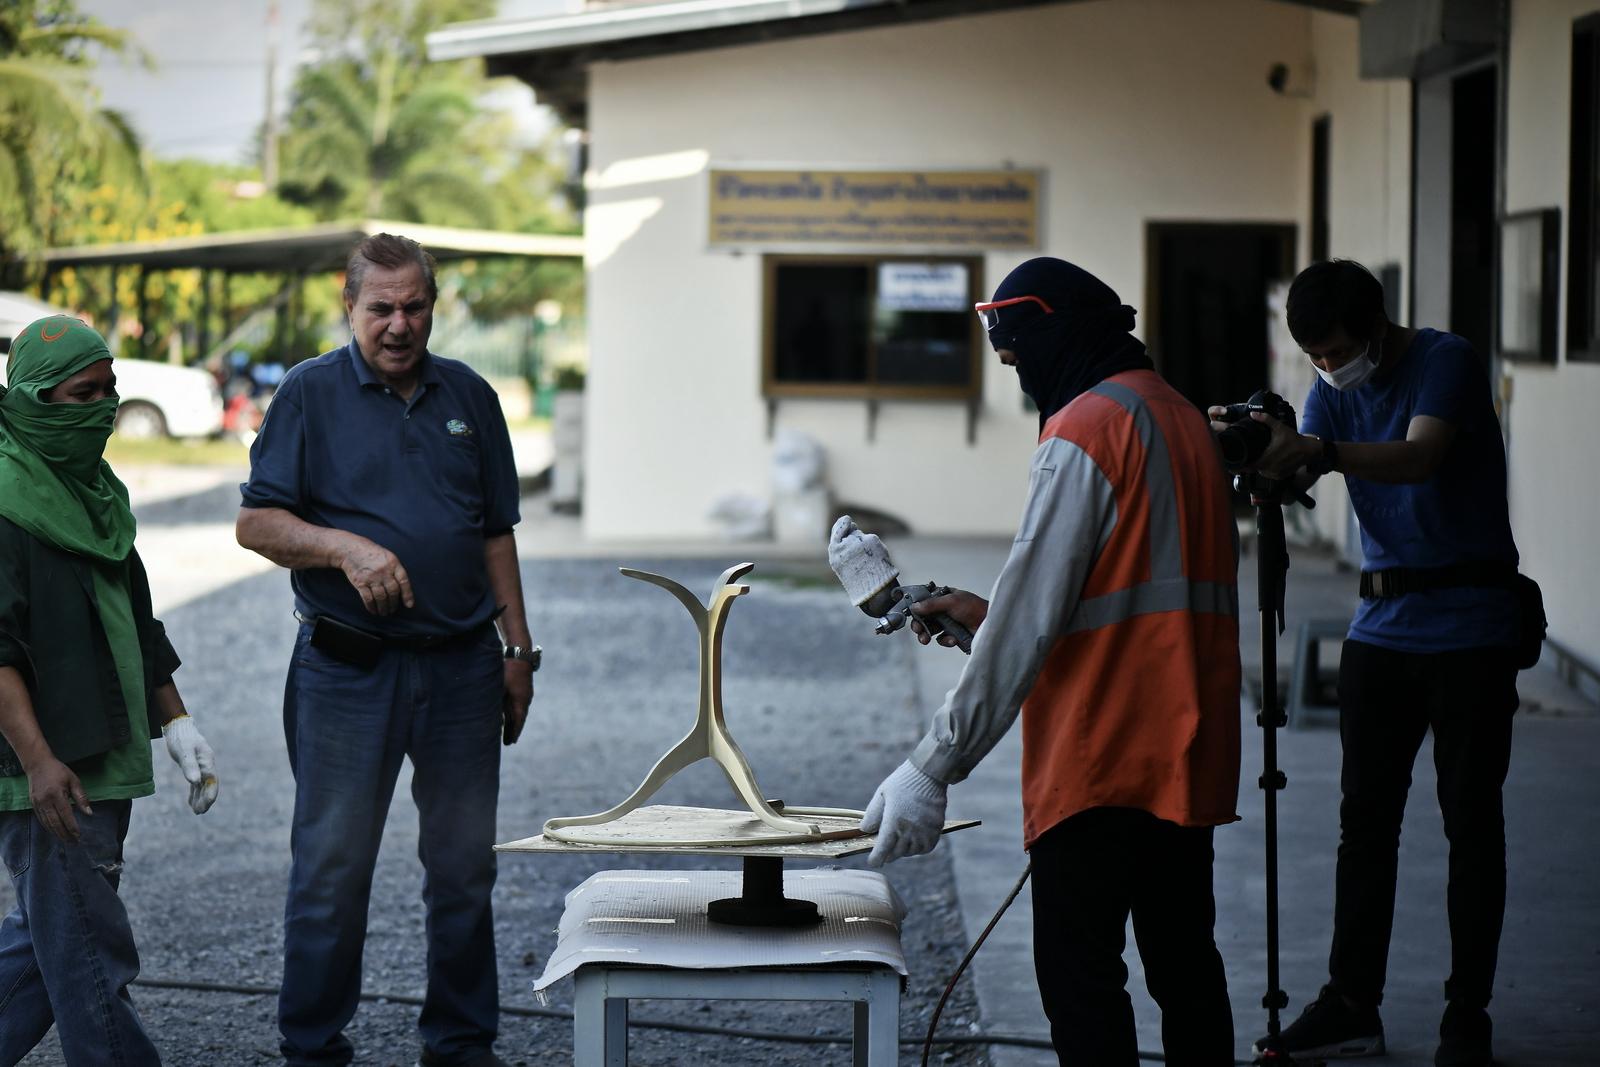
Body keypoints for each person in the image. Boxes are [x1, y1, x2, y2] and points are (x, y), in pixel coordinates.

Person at [857, 257, 1242, 1066]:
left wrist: (935, 763)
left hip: (1100, 758)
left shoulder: (1087, 429)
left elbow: (1035, 614)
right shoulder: (1179, 417)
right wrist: (986, 617)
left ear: (1052, 331)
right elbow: (1131, 596)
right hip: (1185, 752)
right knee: (1186, 970)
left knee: (1082, 982)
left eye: (1018, 356)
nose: (1021, 377)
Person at [235, 234, 537, 1067]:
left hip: (463, 668)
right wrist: (344, 548)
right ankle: (313, 1045)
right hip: (346, 670)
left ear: (434, 305)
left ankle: (460, 1042)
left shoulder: (469, 395)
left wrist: (517, 648)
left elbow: (494, 532)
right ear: (350, 305)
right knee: (331, 868)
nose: (399, 325)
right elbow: (256, 522)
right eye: (382, 308)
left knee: (463, 865)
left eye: (415, 307)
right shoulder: (307, 394)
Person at [1220, 260, 1522, 1067]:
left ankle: (1468, 1013)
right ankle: (1353, 1001)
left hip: (1472, 627)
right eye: (1314, 357)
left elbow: (1418, 455)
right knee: (1365, 827)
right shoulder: (1330, 390)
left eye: (1337, 351)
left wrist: (1320, 448)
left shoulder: (1444, 359)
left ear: (1377, 325)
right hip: (1382, 628)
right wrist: (1263, 456)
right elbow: (1306, 459)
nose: (1328, 368)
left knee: (1471, 824)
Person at [0, 315, 220, 1065]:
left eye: (109, 392)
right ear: (32, 400)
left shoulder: (96, 489)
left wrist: (177, 720)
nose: (101, 409)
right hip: (52, 769)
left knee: (50, 938)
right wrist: (36, 762)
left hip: (106, 748)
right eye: (80, 395)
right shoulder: (6, 499)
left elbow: (135, 615)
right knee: (91, 953)